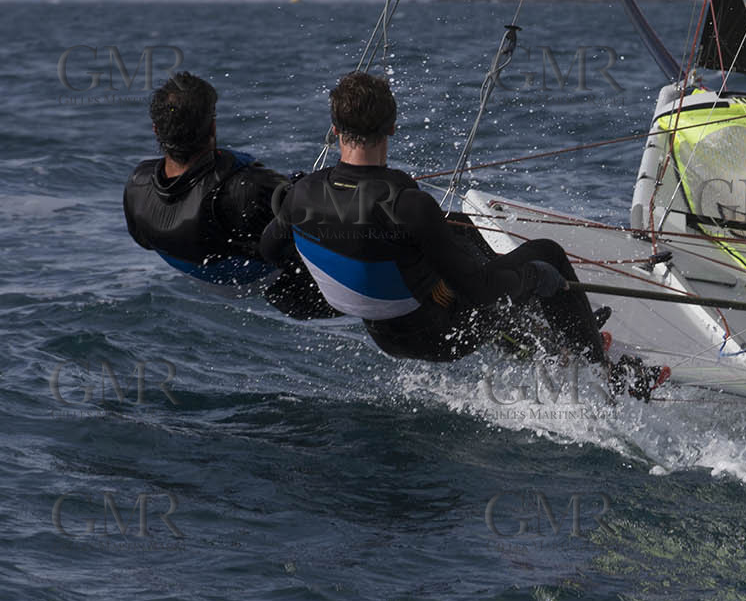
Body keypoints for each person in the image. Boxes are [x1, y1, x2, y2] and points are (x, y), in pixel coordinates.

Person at [260, 70, 663, 397]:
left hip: (385, 336)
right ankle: (608, 375)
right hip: (441, 337)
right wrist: (536, 279)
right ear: (393, 127)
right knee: (545, 254)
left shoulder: (299, 196)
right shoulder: (408, 206)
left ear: (335, 130)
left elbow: (271, 248)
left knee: (461, 228)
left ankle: (543, 341)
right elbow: (482, 292)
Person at [124, 72, 339, 320]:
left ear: (156, 130)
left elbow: (144, 240)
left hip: (220, 279)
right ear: (213, 126)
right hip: (294, 291)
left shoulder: (137, 185)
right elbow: (325, 225)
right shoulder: (246, 189)